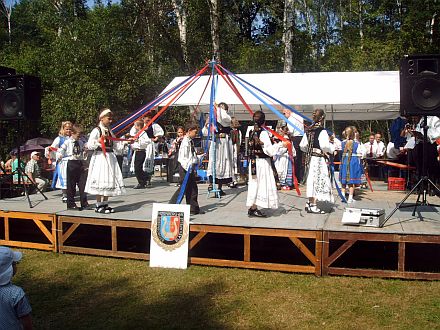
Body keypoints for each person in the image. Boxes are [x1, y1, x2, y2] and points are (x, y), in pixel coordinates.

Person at [85, 109, 126, 214]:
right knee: (100, 178)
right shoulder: (97, 130)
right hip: (100, 157)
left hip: (109, 157)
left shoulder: (110, 131)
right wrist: (98, 142)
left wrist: (125, 142)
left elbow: (116, 145)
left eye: (111, 119)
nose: (110, 121)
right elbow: (89, 144)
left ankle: (105, 204)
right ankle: (98, 204)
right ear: (101, 118)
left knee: (109, 179)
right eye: (109, 118)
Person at [246, 111, 287, 217]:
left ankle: (252, 207)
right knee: (261, 183)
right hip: (262, 163)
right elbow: (269, 151)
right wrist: (281, 144)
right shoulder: (263, 133)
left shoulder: (251, 131)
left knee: (255, 183)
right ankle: (254, 208)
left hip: (254, 162)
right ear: (264, 121)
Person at [300, 109, 334, 214]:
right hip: (318, 159)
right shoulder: (322, 131)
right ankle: (313, 205)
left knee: (311, 180)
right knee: (317, 180)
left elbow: (302, 146)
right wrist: (331, 149)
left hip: (310, 159)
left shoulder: (309, 130)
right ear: (322, 118)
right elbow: (324, 145)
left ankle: (310, 203)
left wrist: (309, 150)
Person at [169, 122, 204, 215]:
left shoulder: (189, 141)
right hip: (186, 169)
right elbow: (183, 158)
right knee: (183, 188)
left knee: (192, 188)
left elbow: (191, 155)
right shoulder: (185, 142)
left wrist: (197, 158)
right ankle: (172, 205)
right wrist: (189, 166)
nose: (196, 134)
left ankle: (193, 209)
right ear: (189, 131)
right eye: (195, 132)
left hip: (189, 168)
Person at [202, 102, 234, 195]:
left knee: (223, 163)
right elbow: (205, 132)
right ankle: (211, 184)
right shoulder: (213, 120)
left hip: (223, 144)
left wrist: (217, 108)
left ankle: (219, 187)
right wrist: (207, 124)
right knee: (213, 162)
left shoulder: (226, 118)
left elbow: (224, 117)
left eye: (222, 109)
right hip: (215, 143)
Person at [57, 124, 89, 210]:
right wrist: (59, 156)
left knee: (82, 184)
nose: (79, 136)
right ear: (73, 133)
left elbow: (83, 153)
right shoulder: (67, 142)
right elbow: (61, 150)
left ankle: (84, 203)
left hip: (79, 163)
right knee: (71, 184)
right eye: (78, 135)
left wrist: (85, 152)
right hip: (71, 162)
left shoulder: (80, 142)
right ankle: (71, 204)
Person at [0, 246, 32, 330]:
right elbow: (27, 323)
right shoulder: (16, 294)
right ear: (9, 270)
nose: (16, 266)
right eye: (14, 263)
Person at [130, 112, 164, 187]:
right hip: (139, 147)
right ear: (143, 118)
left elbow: (159, 134)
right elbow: (132, 133)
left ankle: (147, 179)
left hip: (149, 146)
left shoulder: (154, 125)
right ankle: (142, 180)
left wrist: (156, 138)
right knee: (138, 165)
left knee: (147, 162)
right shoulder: (139, 124)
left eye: (150, 117)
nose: (148, 119)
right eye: (146, 117)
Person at [47, 121, 73, 203]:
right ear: (63, 129)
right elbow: (53, 148)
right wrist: (51, 152)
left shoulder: (74, 138)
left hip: (73, 160)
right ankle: (64, 195)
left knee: (72, 178)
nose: (68, 131)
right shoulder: (59, 139)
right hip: (64, 161)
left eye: (70, 129)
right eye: (67, 129)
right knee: (64, 178)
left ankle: (71, 194)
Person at [339, 126, 364, 203]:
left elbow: (338, 150)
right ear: (353, 134)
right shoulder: (356, 144)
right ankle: (350, 198)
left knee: (344, 180)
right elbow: (361, 153)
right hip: (353, 161)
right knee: (351, 180)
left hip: (345, 161)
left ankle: (343, 196)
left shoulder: (342, 143)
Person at [282, 108, 304, 182]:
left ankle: (296, 177)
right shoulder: (300, 117)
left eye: (284, 113)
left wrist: (284, 132)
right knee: (300, 159)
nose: (284, 116)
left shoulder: (291, 119)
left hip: (295, 138)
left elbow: (290, 131)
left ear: (288, 111)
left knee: (295, 158)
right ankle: (301, 177)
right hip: (302, 138)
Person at [129, 120, 151, 189]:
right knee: (137, 167)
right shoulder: (138, 133)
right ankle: (144, 179)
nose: (134, 127)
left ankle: (142, 180)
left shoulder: (143, 133)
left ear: (138, 126)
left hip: (141, 151)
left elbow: (148, 141)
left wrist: (139, 141)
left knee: (137, 168)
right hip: (137, 152)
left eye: (135, 125)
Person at [229, 117, 242, 188]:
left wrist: (237, 149)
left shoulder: (238, 132)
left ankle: (235, 180)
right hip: (230, 149)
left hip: (235, 148)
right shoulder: (230, 132)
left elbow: (238, 142)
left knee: (235, 164)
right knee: (231, 164)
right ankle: (232, 180)